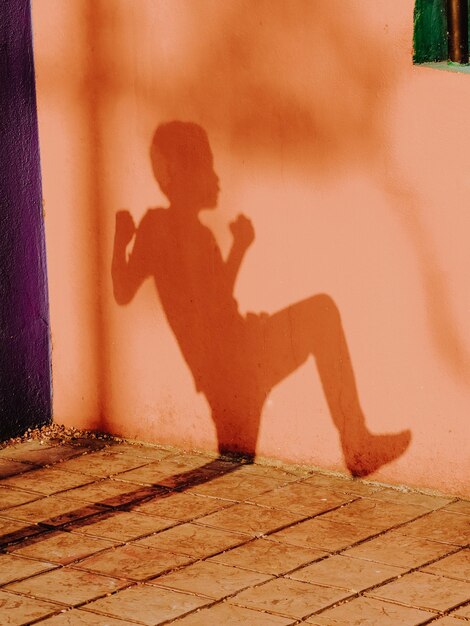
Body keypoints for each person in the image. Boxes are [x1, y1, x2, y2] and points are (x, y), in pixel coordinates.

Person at [112, 120, 410, 476]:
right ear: (180, 173)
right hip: (232, 359)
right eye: (207, 166)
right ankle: (355, 441)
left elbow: (196, 298)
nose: (216, 177)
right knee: (322, 312)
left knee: (227, 466)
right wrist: (123, 239)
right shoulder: (164, 227)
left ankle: (355, 441)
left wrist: (122, 238)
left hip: (228, 358)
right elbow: (129, 291)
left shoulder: (177, 229)